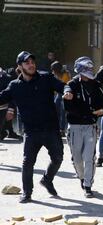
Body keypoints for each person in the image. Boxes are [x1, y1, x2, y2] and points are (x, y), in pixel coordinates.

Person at [0, 51, 73, 203]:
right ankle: (27, 193)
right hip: (31, 131)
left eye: (32, 62)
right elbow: (2, 97)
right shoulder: (15, 85)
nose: (31, 65)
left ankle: (47, 179)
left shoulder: (45, 78)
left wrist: (67, 91)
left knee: (58, 158)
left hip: (51, 128)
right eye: (27, 63)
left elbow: (63, 86)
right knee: (27, 162)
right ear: (20, 67)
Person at [64, 57, 103, 198]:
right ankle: (82, 177)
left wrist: (101, 111)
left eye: (90, 70)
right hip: (75, 127)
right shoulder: (72, 85)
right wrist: (89, 112)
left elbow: (102, 104)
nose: (88, 73)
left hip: (90, 127)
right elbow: (69, 107)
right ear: (79, 71)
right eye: (85, 70)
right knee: (77, 158)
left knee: (89, 157)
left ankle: (88, 185)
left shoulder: (96, 85)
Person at [51, 61, 69, 136]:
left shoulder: (65, 75)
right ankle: (56, 128)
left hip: (64, 94)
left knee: (63, 112)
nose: (52, 71)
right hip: (58, 95)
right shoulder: (55, 75)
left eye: (53, 70)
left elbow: (63, 86)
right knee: (55, 111)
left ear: (56, 70)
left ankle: (62, 129)